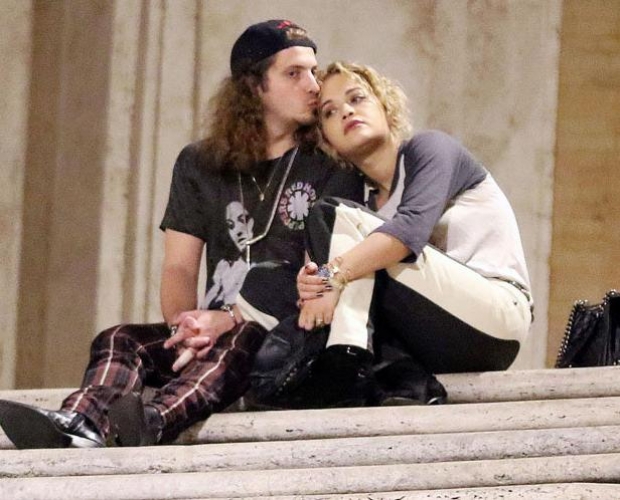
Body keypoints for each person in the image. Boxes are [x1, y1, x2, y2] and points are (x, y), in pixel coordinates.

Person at [0, 21, 362, 449]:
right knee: (119, 339)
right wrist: (185, 327)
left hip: (284, 338)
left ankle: (153, 421)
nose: (313, 86)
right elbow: (178, 267)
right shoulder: (201, 163)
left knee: (242, 338)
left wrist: (229, 319)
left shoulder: (332, 165)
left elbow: (320, 273)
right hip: (211, 332)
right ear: (254, 86)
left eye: (313, 71)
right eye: (294, 73)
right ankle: (81, 423)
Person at [249, 61, 533, 408]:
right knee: (267, 279)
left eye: (357, 98)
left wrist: (330, 276)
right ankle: (396, 380)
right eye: (329, 112)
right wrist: (313, 282)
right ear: (327, 140)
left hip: (494, 319)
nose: (346, 111)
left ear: (385, 105)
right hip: (431, 341)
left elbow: (408, 231)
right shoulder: (360, 202)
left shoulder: (429, 150)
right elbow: (325, 270)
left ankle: (346, 359)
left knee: (334, 220)